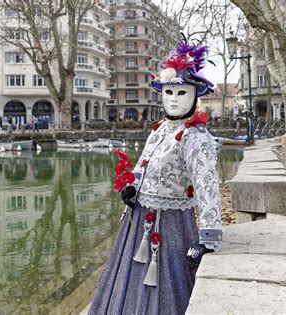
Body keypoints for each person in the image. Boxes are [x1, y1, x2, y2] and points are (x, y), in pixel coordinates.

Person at [88, 35, 222, 314]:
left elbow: (208, 186)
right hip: (138, 222)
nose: (173, 100)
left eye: (181, 93)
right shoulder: (160, 129)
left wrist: (208, 240)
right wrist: (132, 186)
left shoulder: (197, 138)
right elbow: (143, 165)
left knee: (166, 288)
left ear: (195, 95)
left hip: (171, 225)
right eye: (168, 93)